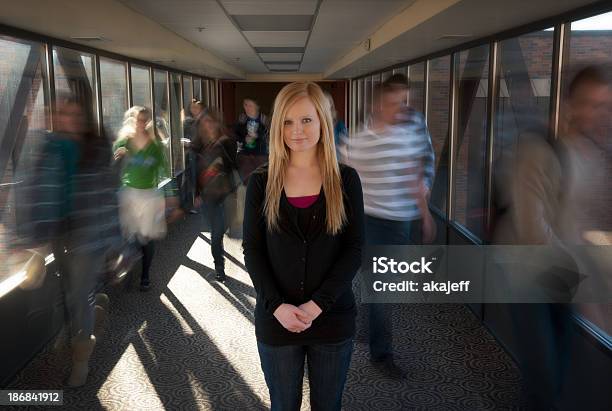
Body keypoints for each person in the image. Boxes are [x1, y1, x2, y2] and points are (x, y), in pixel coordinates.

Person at [243, 82, 364, 411]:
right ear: (277, 126)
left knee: (328, 405)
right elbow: (253, 251)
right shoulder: (261, 181)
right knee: (284, 405)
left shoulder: (346, 179)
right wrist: (277, 306)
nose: (297, 131)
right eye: (288, 121)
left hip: (332, 318)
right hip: (276, 319)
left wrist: (317, 305)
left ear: (322, 121)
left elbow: (354, 249)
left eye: (307, 120)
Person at [16, 94, 121, 387]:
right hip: (57, 234)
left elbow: (109, 197)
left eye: (75, 114)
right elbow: (34, 189)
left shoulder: (97, 148)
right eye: (64, 114)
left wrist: (114, 240)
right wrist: (31, 237)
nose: (70, 120)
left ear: (85, 117)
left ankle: (81, 361)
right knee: (69, 291)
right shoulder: (49, 147)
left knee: (77, 295)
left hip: (89, 236)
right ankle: (90, 312)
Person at [339, 73, 435, 379]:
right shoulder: (356, 140)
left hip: (397, 224)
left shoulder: (406, 134)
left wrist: (425, 214)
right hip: (365, 221)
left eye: (405, 102)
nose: (403, 109)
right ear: (378, 105)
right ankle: (381, 354)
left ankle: (369, 336)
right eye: (396, 103)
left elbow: (414, 175)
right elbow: (341, 182)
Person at [113, 106, 178, 291]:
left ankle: (145, 274)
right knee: (129, 236)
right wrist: (118, 159)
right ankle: (128, 272)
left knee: (147, 238)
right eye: (138, 120)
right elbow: (111, 170)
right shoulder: (123, 143)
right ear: (132, 120)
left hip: (150, 195)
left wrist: (171, 195)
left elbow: (164, 172)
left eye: (145, 120)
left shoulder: (155, 146)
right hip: (128, 195)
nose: (142, 124)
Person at [193, 110, 237, 282]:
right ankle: (220, 268)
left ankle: (220, 263)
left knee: (220, 231)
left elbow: (233, 166)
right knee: (216, 234)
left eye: (211, 122)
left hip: (226, 193)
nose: (208, 126)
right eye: (204, 123)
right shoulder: (198, 146)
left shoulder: (227, 143)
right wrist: (196, 194)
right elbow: (195, 172)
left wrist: (221, 147)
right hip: (208, 196)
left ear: (217, 123)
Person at [234, 98, 269, 183]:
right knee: (246, 180)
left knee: (261, 180)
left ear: (257, 107)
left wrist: (258, 136)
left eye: (250, 105)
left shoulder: (264, 119)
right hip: (245, 155)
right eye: (245, 105)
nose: (247, 108)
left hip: (260, 155)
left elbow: (269, 136)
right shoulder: (242, 119)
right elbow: (236, 134)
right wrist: (244, 139)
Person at [323, 91, 348, 158]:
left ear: (330, 105)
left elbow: (344, 149)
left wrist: (345, 166)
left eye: (324, 104)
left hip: (336, 162)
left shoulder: (340, 126)